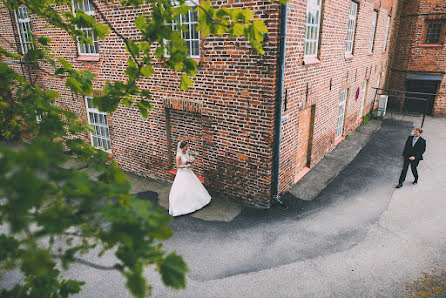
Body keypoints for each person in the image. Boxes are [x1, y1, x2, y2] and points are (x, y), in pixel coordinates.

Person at [168, 141, 211, 216]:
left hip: (188, 172)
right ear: (182, 147)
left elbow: (188, 159)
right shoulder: (178, 155)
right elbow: (178, 166)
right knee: (183, 188)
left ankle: (197, 201)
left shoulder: (186, 152)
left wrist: (190, 162)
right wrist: (186, 166)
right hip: (182, 173)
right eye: (186, 146)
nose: (187, 148)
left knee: (193, 186)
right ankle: (184, 205)